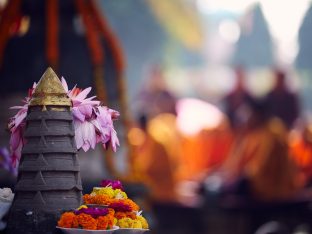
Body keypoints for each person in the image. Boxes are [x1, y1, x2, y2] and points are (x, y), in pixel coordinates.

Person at [223, 66, 256, 132]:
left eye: (241, 77)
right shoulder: (228, 98)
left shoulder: (250, 99)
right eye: (237, 77)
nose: (239, 80)